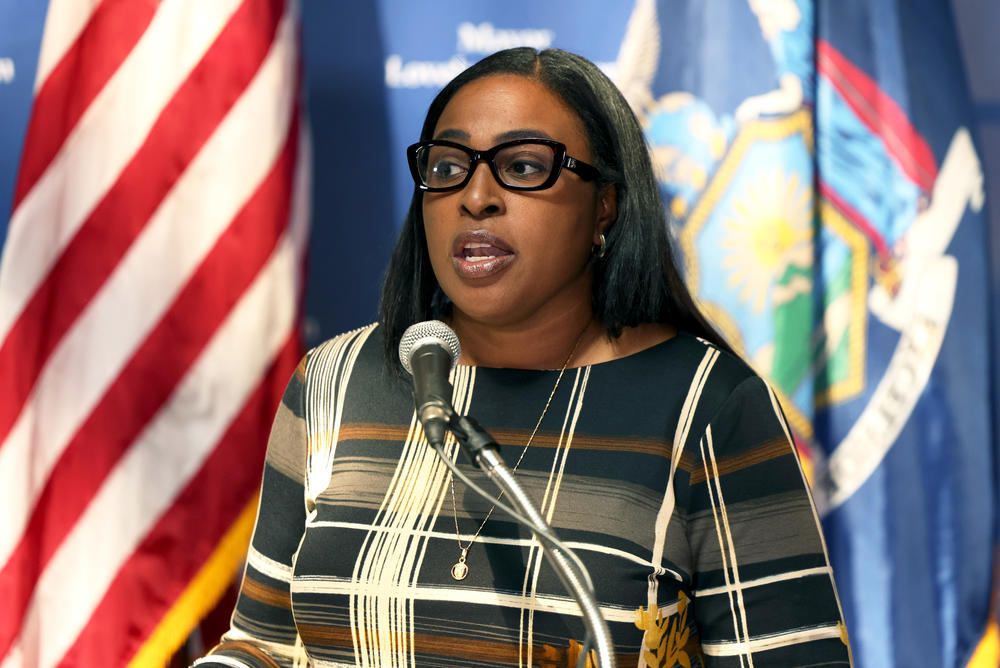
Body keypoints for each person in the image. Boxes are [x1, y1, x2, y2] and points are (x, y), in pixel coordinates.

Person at [195, 48, 852, 667]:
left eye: (524, 166)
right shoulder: (333, 383)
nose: (475, 196)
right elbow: (266, 646)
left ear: (606, 207)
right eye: (448, 167)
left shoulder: (707, 407)